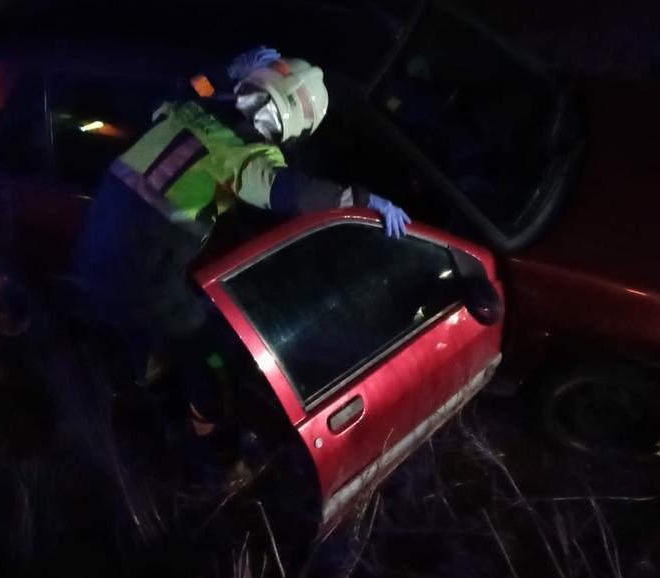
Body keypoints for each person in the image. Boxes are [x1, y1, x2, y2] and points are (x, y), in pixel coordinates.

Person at [70, 46, 412, 441]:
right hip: (141, 275)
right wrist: (369, 201)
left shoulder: (189, 107)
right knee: (210, 355)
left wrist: (226, 68)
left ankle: (139, 371)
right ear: (297, 124)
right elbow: (291, 195)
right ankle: (208, 444)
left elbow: (185, 85)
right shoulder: (245, 154)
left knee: (144, 329)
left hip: (94, 246)